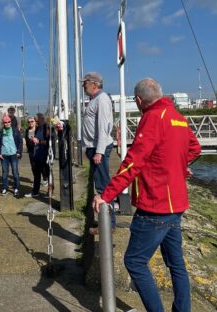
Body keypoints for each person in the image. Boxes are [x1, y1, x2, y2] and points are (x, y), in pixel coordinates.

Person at [93, 78, 201, 312]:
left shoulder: (152, 118)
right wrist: (180, 167)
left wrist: (107, 195)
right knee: (177, 265)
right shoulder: (178, 117)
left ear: (139, 101)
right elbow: (194, 148)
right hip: (177, 204)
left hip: (155, 204)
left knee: (135, 261)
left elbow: (134, 162)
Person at [81, 72, 115, 231]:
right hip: (93, 147)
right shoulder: (94, 99)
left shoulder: (102, 99)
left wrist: (99, 152)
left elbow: (104, 127)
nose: (83, 85)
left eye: (85, 83)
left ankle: (109, 225)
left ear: (94, 84)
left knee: (103, 187)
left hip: (98, 148)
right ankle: (105, 222)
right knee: (100, 185)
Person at [24, 114, 51, 198]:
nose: (35, 121)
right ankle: (35, 191)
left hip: (45, 155)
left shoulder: (47, 128)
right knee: (36, 174)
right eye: (33, 120)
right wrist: (33, 142)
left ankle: (50, 192)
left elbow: (49, 142)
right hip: (36, 155)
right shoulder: (38, 129)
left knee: (48, 173)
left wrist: (39, 141)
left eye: (36, 120)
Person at [0, 115, 23, 197]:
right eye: (5, 122)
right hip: (4, 155)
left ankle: (16, 188)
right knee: (4, 173)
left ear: (11, 122)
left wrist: (19, 152)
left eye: (8, 122)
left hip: (14, 154)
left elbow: (20, 142)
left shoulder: (15, 131)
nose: (7, 124)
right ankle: (5, 188)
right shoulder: (0, 132)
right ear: (3, 123)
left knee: (15, 172)